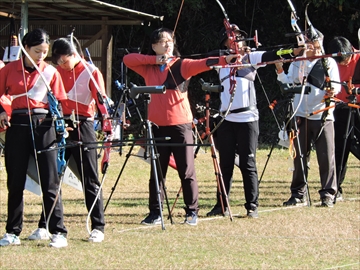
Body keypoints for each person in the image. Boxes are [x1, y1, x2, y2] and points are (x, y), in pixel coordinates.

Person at [123, 27, 239, 226]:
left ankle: (191, 212)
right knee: (157, 172)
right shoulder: (148, 67)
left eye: (170, 40)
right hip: (157, 126)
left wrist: (226, 59)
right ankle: (155, 212)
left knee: (186, 170)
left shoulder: (181, 65)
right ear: (154, 46)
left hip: (180, 125)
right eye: (162, 41)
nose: (167, 44)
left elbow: (203, 63)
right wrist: (155, 60)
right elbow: (128, 60)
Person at [207, 24, 304, 218]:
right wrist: (228, 57)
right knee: (225, 163)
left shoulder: (251, 58)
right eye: (231, 38)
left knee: (247, 163)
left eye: (239, 38)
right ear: (225, 42)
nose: (236, 41)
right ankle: (221, 205)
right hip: (227, 118)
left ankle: (252, 205)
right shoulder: (220, 61)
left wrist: (294, 50)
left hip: (248, 119)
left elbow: (274, 54)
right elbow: (204, 60)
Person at [30, 36, 109, 242]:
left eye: (65, 61)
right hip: (57, 124)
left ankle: (98, 226)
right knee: (51, 176)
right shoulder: (54, 71)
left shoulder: (91, 72)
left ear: (75, 55)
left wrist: (107, 126)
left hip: (82, 125)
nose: (61, 65)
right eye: (58, 62)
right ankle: (45, 225)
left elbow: (101, 103)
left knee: (89, 177)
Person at [0, 28, 68, 248]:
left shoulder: (51, 72)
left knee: (50, 180)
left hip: (44, 125)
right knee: (15, 180)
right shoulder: (9, 69)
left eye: (44, 52)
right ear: (25, 48)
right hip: (17, 125)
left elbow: (60, 103)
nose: (41, 56)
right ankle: (12, 231)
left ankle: (57, 230)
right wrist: (1, 110)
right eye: (37, 51)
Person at [276, 28, 341, 207]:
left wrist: (331, 92)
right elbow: (288, 83)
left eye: (310, 42)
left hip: (322, 115)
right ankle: (298, 194)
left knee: (326, 157)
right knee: (299, 157)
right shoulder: (298, 61)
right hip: (300, 114)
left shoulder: (328, 62)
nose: (307, 46)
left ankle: (328, 194)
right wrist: (279, 69)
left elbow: (336, 87)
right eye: (305, 42)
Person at [327, 36, 360, 201]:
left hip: (359, 107)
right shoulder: (329, 62)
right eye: (339, 62)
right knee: (339, 149)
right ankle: (336, 188)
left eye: (345, 60)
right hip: (341, 109)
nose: (343, 64)